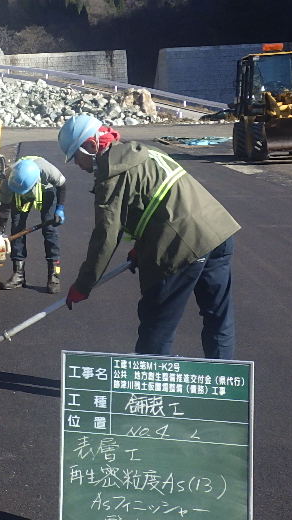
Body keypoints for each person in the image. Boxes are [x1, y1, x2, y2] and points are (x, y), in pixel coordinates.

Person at [57, 114, 239, 360]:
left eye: (75, 157)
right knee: (218, 317)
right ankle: (224, 387)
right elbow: (157, 203)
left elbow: (106, 237)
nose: (77, 164)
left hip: (181, 244)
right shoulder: (144, 153)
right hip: (217, 232)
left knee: (157, 325)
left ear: (91, 146)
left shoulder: (111, 174)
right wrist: (142, 248)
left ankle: (150, 392)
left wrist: (83, 285)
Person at [1, 155, 67, 293]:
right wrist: (0, 231)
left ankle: (54, 275)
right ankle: (18, 275)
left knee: (49, 230)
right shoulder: (9, 178)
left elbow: (62, 186)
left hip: (45, 189)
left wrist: (59, 209)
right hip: (18, 194)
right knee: (17, 228)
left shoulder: (47, 170)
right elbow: (5, 206)